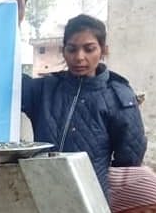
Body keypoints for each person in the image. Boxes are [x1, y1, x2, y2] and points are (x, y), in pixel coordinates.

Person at [21, 14, 146, 194]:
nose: (79, 57)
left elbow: (129, 162)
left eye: (89, 49)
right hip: (42, 194)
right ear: (63, 51)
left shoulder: (118, 97)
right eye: (72, 49)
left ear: (103, 50)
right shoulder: (44, 90)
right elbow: (4, 79)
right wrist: (12, 23)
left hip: (91, 201)